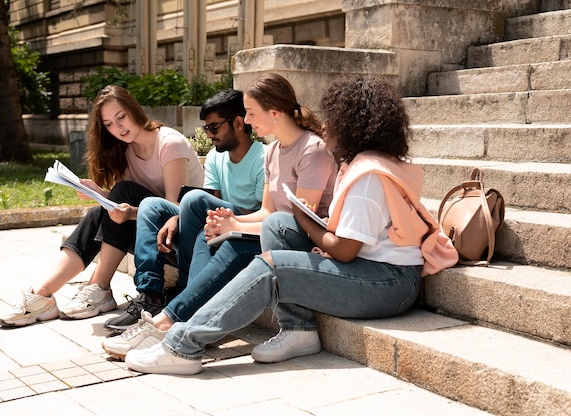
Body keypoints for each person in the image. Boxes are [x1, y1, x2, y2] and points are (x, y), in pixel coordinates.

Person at [122, 75, 459, 374]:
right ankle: (298, 329)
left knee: (273, 265)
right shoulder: (366, 163)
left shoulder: (366, 175)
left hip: (389, 284)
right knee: (279, 224)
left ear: (353, 126)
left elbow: (343, 250)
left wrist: (307, 223)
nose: (326, 128)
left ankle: (181, 344)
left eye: (334, 121)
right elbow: (345, 238)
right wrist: (303, 225)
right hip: (378, 272)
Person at [101, 72, 337, 359]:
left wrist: (236, 224)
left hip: (301, 242)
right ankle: (178, 314)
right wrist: (229, 223)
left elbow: (299, 219)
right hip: (274, 229)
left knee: (235, 240)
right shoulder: (274, 151)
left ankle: (168, 321)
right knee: (207, 223)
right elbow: (268, 210)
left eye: (250, 113)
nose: (246, 120)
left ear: (274, 113)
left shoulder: (312, 150)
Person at [0, 85, 204, 327]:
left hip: (181, 238)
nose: (118, 128)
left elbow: (173, 207)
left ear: (134, 110)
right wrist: (99, 193)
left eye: (121, 117)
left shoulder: (169, 143)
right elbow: (126, 205)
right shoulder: (124, 150)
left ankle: (99, 287)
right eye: (108, 124)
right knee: (100, 210)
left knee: (122, 192)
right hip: (152, 235)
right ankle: (43, 294)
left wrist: (126, 210)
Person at [103, 89, 266, 332]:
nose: (209, 135)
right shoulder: (214, 157)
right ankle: (151, 295)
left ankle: (186, 297)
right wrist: (178, 217)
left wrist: (209, 218)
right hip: (214, 224)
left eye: (214, 128)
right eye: (206, 129)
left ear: (239, 123)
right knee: (150, 204)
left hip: (242, 230)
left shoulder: (262, 158)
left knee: (193, 199)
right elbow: (210, 205)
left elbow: (265, 213)